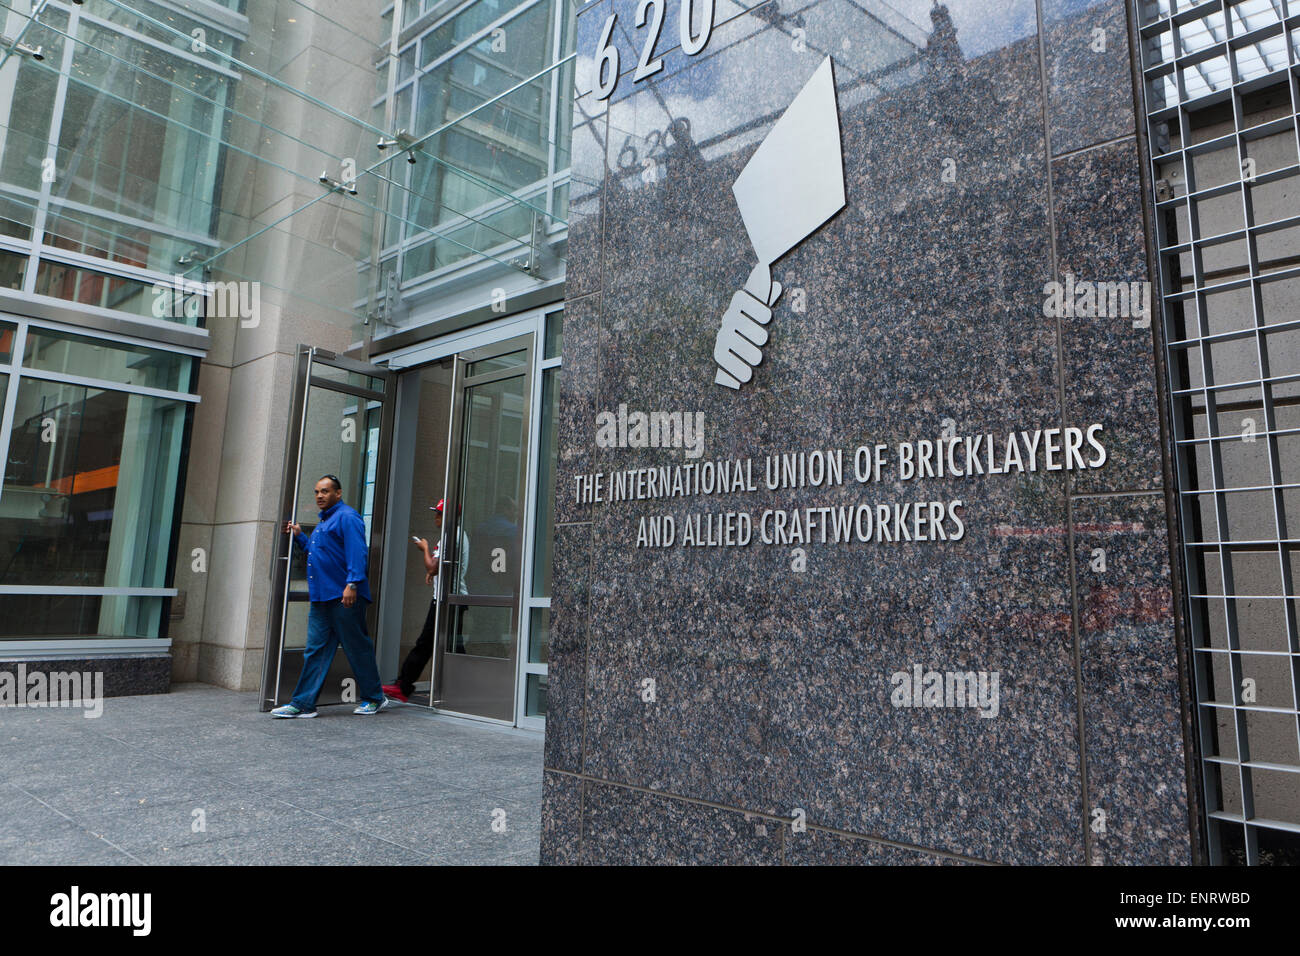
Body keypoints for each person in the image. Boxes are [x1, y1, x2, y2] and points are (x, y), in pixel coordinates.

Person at [271, 475, 388, 717]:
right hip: (323, 598)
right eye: (316, 492)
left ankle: (375, 698)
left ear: (338, 493)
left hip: (345, 596)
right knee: (315, 650)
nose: (319, 496)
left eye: (325, 491)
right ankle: (303, 703)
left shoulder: (347, 517)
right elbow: (316, 553)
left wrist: (353, 584)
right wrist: (300, 536)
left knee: (356, 647)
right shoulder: (324, 522)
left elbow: (358, 552)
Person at [382, 499, 445, 703]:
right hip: (445, 600)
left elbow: (432, 566)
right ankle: (404, 685)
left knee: (425, 645)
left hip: (443, 601)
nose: (436, 517)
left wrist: (424, 548)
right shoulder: (452, 536)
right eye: (436, 512)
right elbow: (438, 569)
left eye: (439, 513)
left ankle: (403, 686)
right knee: (439, 646)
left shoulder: (448, 538)